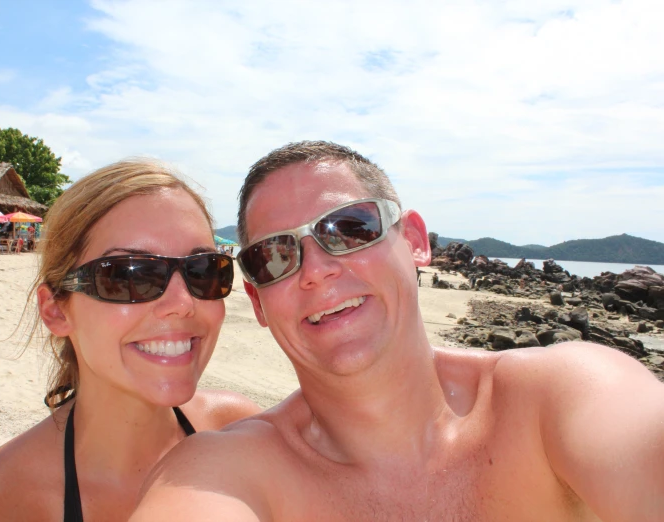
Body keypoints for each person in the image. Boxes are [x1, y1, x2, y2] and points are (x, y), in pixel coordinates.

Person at [133, 141, 664, 521]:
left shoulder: (562, 394)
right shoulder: (226, 469)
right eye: (275, 256)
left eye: (350, 228)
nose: (316, 269)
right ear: (259, 301)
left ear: (413, 240)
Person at [0, 159, 260, 521]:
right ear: (56, 310)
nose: (182, 304)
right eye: (129, 276)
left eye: (203, 271)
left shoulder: (241, 433)